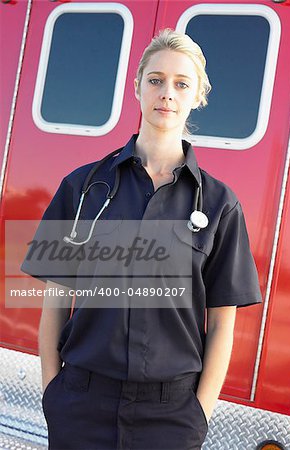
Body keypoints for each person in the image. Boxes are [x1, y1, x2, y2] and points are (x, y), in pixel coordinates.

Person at [21, 29, 262, 450]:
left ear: (197, 96)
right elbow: (55, 299)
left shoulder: (221, 204)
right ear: (137, 88)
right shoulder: (82, 187)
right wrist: (52, 393)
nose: (166, 93)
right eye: (155, 80)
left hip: (170, 417)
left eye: (181, 84)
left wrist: (198, 414)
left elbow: (223, 321)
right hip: (81, 404)